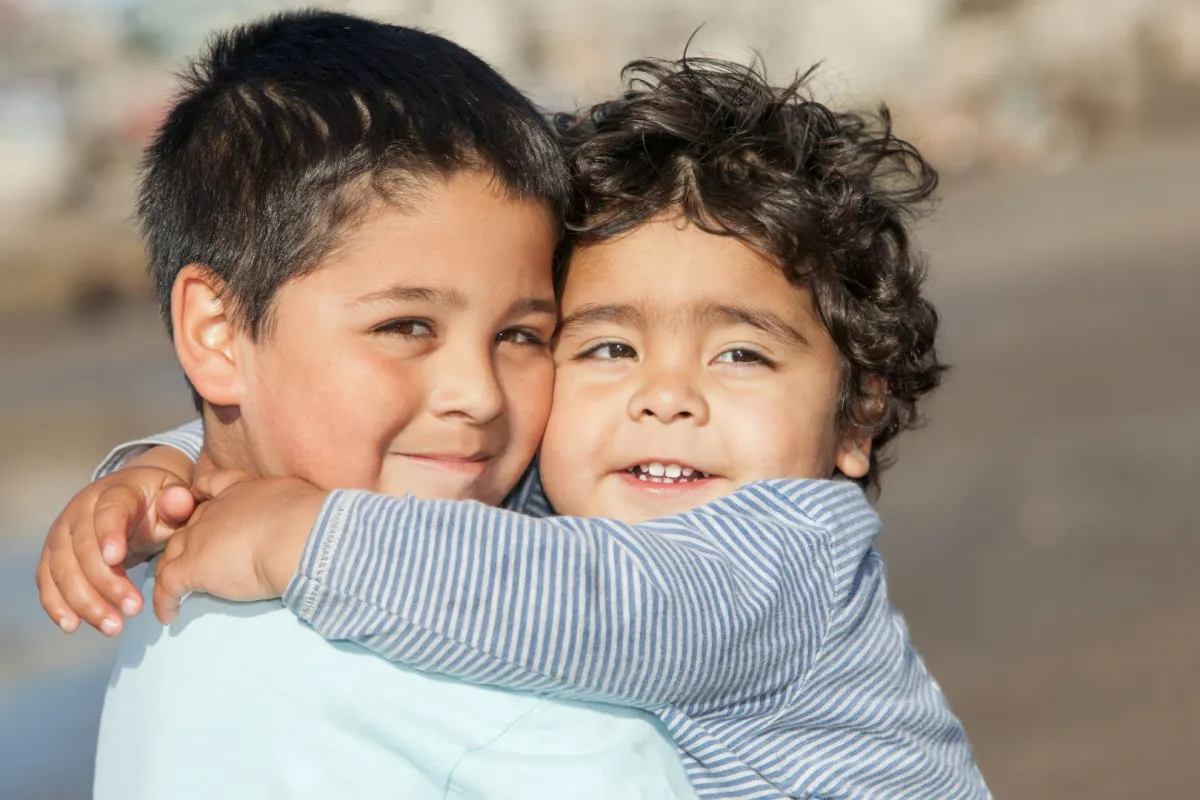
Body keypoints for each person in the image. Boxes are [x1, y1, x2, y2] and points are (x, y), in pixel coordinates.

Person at [38, 32, 992, 800]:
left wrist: (307, 538)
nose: (666, 398)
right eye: (606, 349)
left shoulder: (784, 556)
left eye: (740, 354)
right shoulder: (541, 499)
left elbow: (585, 605)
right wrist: (162, 476)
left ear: (856, 416)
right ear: (218, 332)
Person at [35, 10, 697, 799]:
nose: (479, 394)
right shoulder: (509, 711)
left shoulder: (188, 597)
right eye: (406, 327)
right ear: (217, 333)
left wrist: (167, 463)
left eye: (521, 335)